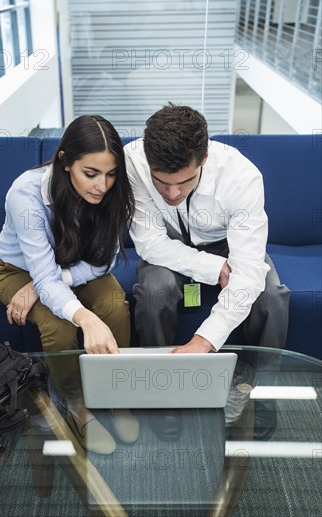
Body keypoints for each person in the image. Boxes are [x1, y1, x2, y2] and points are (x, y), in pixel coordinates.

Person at [124, 104, 290, 439]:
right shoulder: (133, 162)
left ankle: (260, 394)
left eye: (184, 182)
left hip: (228, 244)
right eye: (162, 183)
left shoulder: (243, 177)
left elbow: (247, 272)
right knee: (155, 292)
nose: (172, 194)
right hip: (166, 249)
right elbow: (150, 242)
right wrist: (213, 269)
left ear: (204, 159)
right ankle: (161, 393)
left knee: (272, 297)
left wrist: (204, 341)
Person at [0, 115, 139, 454]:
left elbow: (105, 260)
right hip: (17, 270)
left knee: (114, 304)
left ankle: (116, 394)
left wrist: (50, 284)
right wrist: (83, 316)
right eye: (91, 174)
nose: (102, 185)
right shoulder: (25, 194)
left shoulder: (113, 193)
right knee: (58, 325)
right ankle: (78, 405)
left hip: (77, 268)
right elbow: (42, 274)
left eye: (111, 173)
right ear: (65, 162)